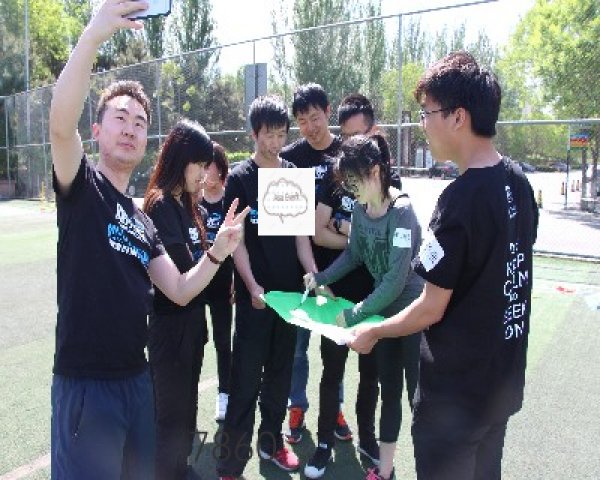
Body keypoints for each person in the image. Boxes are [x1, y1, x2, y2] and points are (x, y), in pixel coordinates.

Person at [48, 2, 248, 478]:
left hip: (137, 380)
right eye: (120, 118)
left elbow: (178, 289)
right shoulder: (82, 188)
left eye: (140, 123)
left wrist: (218, 251)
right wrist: (94, 34)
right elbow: (59, 125)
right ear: (97, 130)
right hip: (86, 382)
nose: (131, 128)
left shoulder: (143, 221)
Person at [349, 51, 539, 480]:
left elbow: (430, 306)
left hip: (456, 399)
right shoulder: (519, 183)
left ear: (458, 117)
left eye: (427, 112)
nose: (422, 123)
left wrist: (374, 330)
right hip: (500, 388)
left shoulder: (459, 200)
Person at [305, 134, 423, 480]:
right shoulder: (359, 208)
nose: (349, 189)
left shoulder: (402, 211)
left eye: (353, 181)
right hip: (382, 316)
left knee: (420, 399)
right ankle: (384, 471)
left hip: (413, 316)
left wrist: (354, 315)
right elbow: (354, 255)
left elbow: (396, 281)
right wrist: (320, 277)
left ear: (374, 171)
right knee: (390, 393)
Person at [216, 95, 318, 480]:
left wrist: (313, 274)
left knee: (279, 377)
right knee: (245, 382)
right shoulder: (240, 179)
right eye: (268, 135)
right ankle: (230, 464)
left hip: (289, 301)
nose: (275, 142)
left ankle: (272, 444)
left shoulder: (292, 173)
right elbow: (237, 241)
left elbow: (301, 238)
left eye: (280, 134)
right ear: (254, 134)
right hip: (255, 300)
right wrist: (252, 286)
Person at [280, 83, 352, 445]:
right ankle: (296, 407)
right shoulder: (290, 158)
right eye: (302, 120)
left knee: (335, 346)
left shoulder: (347, 154)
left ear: (327, 111)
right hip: (300, 272)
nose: (310, 126)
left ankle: (334, 407)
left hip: (340, 269)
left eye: (315, 116)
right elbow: (284, 218)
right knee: (297, 348)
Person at [142, 119, 214, 480]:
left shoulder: (187, 204)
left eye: (206, 166)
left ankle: (181, 468)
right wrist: (216, 256)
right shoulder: (159, 205)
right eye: (198, 164)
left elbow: (198, 271)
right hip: (170, 329)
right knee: (169, 415)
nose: (204, 174)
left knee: (187, 407)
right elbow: (184, 275)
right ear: (180, 158)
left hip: (192, 325)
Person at [200, 142, 234, 421]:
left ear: (220, 169)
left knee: (223, 341)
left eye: (208, 165)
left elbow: (239, 246)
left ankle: (225, 394)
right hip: (197, 282)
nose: (204, 171)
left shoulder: (230, 201)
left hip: (223, 283)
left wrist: (236, 277)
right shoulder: (191, 200)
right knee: (194, 339)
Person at [337, 93, 402, 189]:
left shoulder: (388, 182)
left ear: (373, 131)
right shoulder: (336, 173)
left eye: (356, 136)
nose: (349, 144)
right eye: (345, 137)